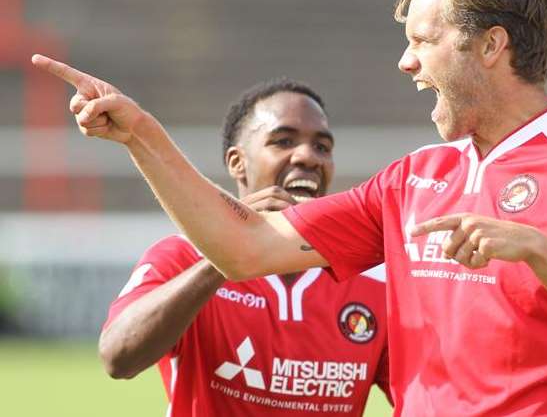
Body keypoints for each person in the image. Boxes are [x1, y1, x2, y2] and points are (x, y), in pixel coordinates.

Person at [34, 0, 547, 416]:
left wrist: (537, 251)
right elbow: (243, 246)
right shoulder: (413, 178)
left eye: (423, 39)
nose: (405, 61)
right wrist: (141, 135)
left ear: (490, 45)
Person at [97, 79, 390, 416]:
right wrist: (228, 250)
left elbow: (427, 396)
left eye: (322, 147)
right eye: (283, 141)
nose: (308, 156)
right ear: (237, 162)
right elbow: (118, 357)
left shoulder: (372, 281)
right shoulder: (182, 256)